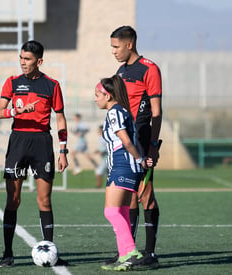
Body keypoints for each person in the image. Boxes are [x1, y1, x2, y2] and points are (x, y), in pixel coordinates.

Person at [0, 40, 69, 268]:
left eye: (27, 59)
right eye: (21, 58)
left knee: (44, 200)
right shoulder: (12, 82)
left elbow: (60, 118)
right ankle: (7, 253)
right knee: (13, 199)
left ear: (39, 61)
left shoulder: (52, 85)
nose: (22, 63)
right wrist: (16, 110)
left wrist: (63, 150)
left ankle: (50, 250)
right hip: (18, 141)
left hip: (42, 143)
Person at [110, 25, 163, 268]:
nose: (113, 51)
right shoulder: (121, 71)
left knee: (146, 194)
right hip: (126, 140)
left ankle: (150, 254)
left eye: (116, 46)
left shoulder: (149, 69)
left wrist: (152, 146)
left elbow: (156, 112)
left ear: (129, 44)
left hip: (142, 137)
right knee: (129, 198)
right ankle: (129, 252)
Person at [94, 75, 153, 271]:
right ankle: (124, 256)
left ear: (108, 95)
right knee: (122, 211)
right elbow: (132, 141)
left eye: (97, 95)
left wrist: (139, 160)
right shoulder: (122, 111)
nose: (95, 98)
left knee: (110, 211)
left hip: (123, 166)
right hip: (126, 166)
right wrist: (142, 159)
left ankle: (131, 252)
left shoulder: (114, 113)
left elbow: (127, 142)